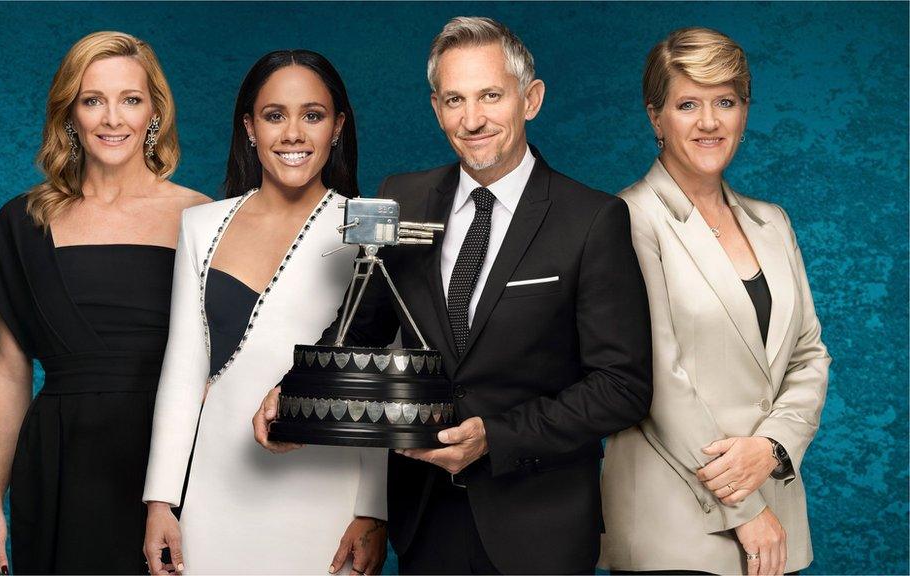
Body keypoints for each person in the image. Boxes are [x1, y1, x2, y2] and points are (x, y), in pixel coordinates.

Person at [254, 17, 652, 575]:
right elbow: (359, 327)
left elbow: (622, 387)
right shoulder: (402, 197)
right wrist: (294, 395)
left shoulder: (592, 219)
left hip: (540, 525)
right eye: (454, 99)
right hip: (426, 517)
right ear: (436, 107)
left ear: (530, 99)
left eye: (491, 95)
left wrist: (497, 438)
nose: (472, 119)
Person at [0, 31, 208, 575]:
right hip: (60, 460)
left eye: (130, 99)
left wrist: (176, 489)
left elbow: (219, 365)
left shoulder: (202, 216)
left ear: (154, 112)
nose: (111, 118)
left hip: (171, 463)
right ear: (69, 114)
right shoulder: (23, 222)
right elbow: (10, 369)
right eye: (92, 100)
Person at [142, 50, 387, 575]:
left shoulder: (365, 227)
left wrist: (373, 510)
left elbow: (377, 374)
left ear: (338, 127)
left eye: (313, 115)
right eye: (275, 115)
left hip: (327, 490)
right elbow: (182, 369)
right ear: (249, 127)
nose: (293, 133)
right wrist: (161, 499)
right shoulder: (200, 225)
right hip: (213, 488)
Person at [599, 27, 831, 576]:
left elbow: (809, 355)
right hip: (673, 522)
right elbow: (656, 377)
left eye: (725, 101)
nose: (709, 122)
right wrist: (745, 508)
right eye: (687, 105)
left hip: (777, 515)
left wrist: (772, 447)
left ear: (744, 111)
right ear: (655, 117)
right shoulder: (628, 218)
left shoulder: (772, 222)